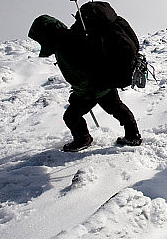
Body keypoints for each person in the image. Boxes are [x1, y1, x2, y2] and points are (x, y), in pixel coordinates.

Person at [28, 15, 142, 152]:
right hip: (106, 81)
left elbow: (78, 76)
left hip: (92, 90)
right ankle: (133, 135)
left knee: (71, 116)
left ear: (46, 35)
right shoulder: (76, 36)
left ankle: (82, 139)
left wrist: (78, 94)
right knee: (117, 109)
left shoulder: (63, 47)